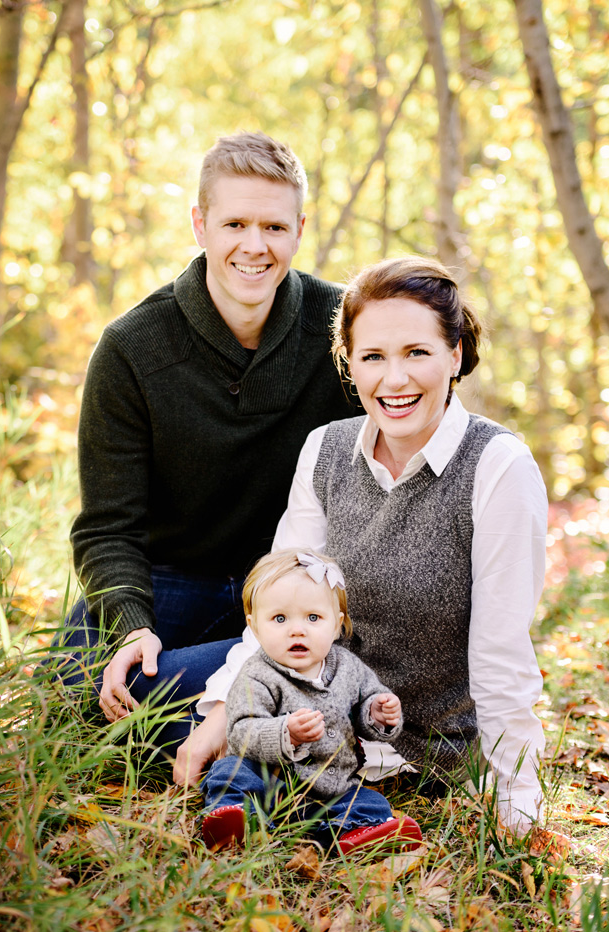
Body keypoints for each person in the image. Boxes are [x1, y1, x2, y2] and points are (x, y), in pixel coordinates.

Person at [176, 257, 549, 835]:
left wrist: (515, 801)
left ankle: (336, 814)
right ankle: (249, 794)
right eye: (372, 357)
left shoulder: (496, 464)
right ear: (350, 365)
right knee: (109, 683)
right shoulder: (326, 449)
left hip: (418, 741)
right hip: (308, 704)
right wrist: (223, 715)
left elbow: (502, 652)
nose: (393, 380)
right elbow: (283, 597)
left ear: (455, 354)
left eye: (416, 353)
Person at [61, 132, 363, 748]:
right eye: (235, 224)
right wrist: (131, 628)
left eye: (275, 228)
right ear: (200, 225)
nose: (255, 247)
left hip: (298, 589)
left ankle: (267, 710)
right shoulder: (131, 348)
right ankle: (287, 715)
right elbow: (107, 528)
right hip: (177, 579)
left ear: (300, 229)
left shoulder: (344, 329)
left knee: (348, 650)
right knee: (78, 686)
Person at [199, 548, 424, 855]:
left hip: (331, 787)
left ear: (336, 625)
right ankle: (240, 820)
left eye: (313, 617)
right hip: (271, 783)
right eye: (279, 618)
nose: (297, 629)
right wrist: (285, 733)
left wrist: (378, 714)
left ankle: (343, 836)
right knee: (229, 773)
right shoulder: (256, 675)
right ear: (254, 626)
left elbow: (366, 706)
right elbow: (240, 731)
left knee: (370, 802)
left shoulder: (349, 667)